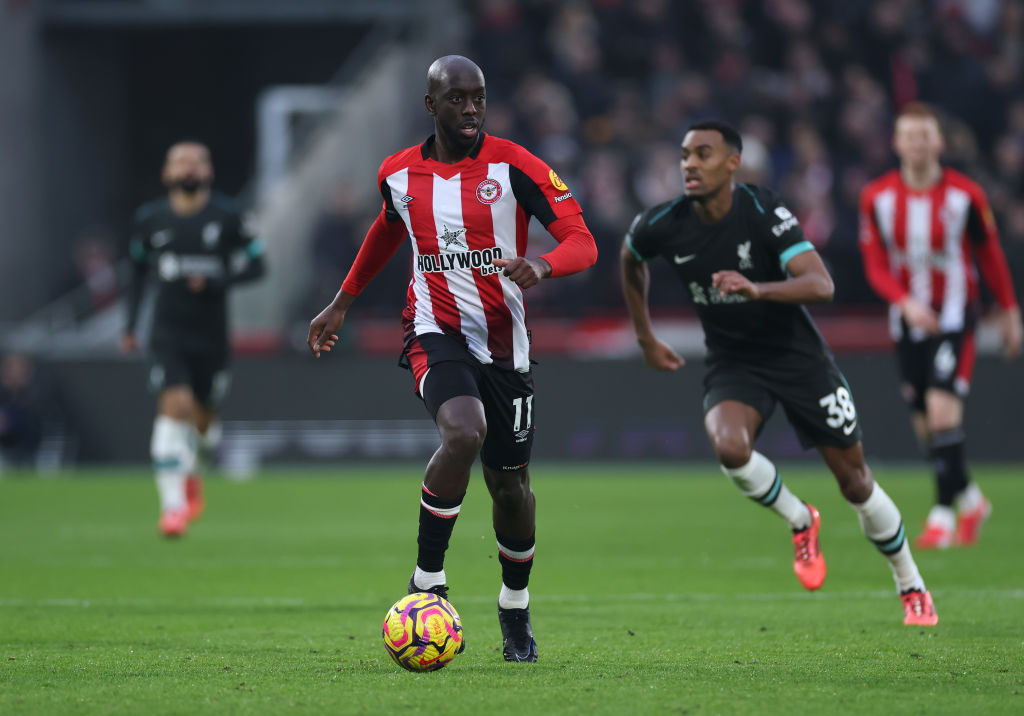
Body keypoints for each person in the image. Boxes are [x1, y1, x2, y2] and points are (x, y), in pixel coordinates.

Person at [307, 55, 597, 661]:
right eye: (458, 98)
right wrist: (341, 302)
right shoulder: (397, 173)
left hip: (506, 347)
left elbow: (583, 241)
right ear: (430, 105)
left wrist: (542, 264)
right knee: (464, 432)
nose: (471, 109)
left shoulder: (517, 166)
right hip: (433, 331)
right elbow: (388, 229)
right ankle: (427, 583)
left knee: (510, 488)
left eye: (479, 98)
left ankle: (514, 608)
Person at [620, 120, 937, 626]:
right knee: (730, 448)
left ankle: (911, 584)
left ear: (733, 163)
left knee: (855, 483)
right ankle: (800, 518)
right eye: (684, 155)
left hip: (798, 358)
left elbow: (821, 284)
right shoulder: (664, 222)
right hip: (733, 361)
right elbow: (631, 258)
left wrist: (758, 289)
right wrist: (645, 337)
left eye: (703, 154)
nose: (689, 165)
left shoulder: (763, 211)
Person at [859, 102, 1022, 550]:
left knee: (941, 411)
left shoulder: (966, 196)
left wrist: (1010, 311)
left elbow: (990, 256)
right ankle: (971, 499)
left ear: (939, 142)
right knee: (926, 430)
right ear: (896, 143)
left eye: (925, 135)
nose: (917, 144)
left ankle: (942, 516)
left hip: (955, 316)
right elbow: (875, 265)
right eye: (909, 136)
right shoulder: (877, 197)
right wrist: (906, 303)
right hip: (908, 322)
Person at [122, 141, 266, 538]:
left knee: (204, 425)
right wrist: (130, 326)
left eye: (197, 161)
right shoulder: (150, 220)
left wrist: (219, 280)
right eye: (180, 162)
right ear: (166, 173)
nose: (189, 168)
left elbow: (258, 265)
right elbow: (136, 272)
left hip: (212, 336)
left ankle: (193, 470)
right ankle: (172, 510)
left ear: (209, 171)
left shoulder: (229, 216)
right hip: (167, 332)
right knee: (175, 405)